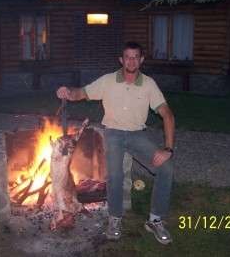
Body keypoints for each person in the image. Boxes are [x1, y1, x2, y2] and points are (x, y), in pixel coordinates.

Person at [56, 41, 175, 244]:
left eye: (135, 56)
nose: (131, 60)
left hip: (137, 134)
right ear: (121, 60)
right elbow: (82, 93)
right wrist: (68, 91)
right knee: (115, 174)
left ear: (141, 60)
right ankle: (115, 218)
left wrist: (168, 149)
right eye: (127, 56)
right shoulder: (108, 81)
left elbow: (168, 115)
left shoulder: (148, 84)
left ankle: (155, 220)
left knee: (166, 168)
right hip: (114, 134)